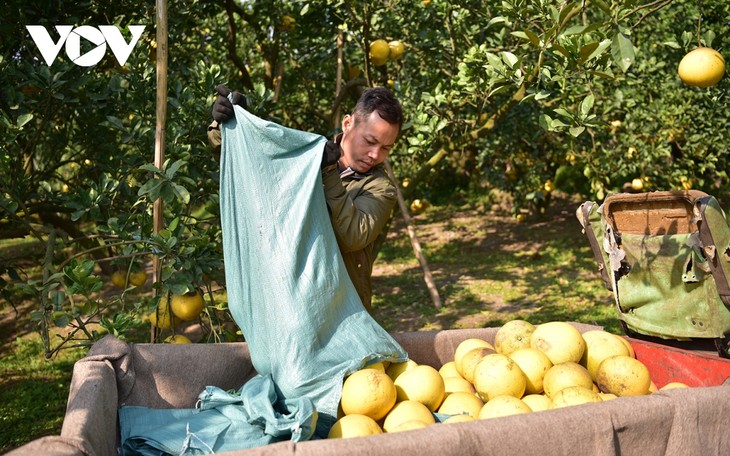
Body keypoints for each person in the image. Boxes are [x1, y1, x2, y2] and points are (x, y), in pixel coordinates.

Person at [208, 85, 403, 312]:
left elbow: (353, 235)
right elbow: (249, 166)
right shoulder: (306, 153)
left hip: (340, 309)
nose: (375, 155)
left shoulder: (380, 187)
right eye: (370, 141)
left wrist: (329, 173)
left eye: (385, 148)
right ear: (348, 124)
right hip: (284, 297)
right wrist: (228, 125)